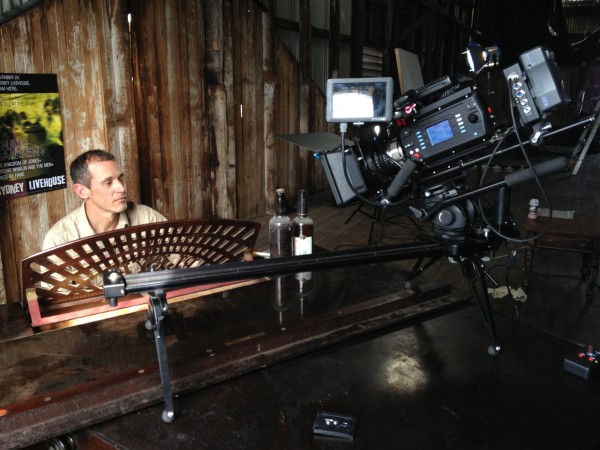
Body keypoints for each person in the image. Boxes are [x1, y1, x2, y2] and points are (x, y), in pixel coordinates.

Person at [43, 149, 167, 250]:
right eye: (108, 182)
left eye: (120, 179)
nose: (122, 188)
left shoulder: (147, 218)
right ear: (82, 191)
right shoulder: (59, 239)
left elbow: (179, 260)